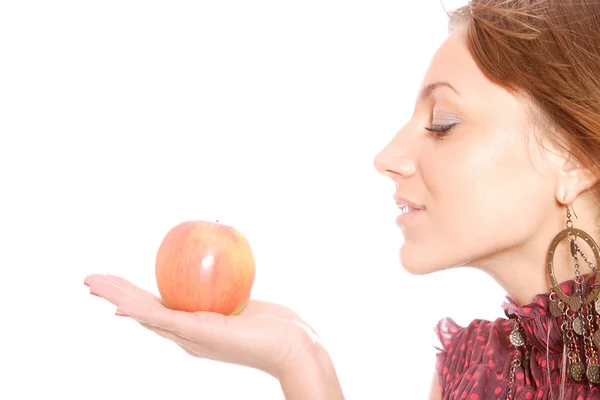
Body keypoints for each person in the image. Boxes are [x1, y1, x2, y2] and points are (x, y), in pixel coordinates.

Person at [84, 0, 600, 398]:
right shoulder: (474, 368)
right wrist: (300, 360)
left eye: (442, 124)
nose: (387, 155)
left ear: (574, 157)